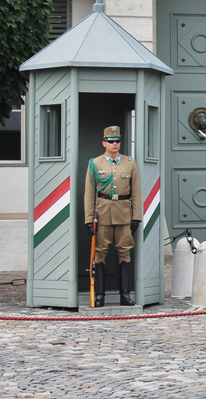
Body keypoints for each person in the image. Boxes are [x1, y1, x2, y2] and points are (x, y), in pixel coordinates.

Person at [83, 126, 142, 307]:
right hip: (103, 214)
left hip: (124, 213)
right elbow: (89, 193)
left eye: (117, 141)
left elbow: (136, 191)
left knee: (124, 252)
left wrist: (137, 216)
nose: (114, 144)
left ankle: (125, 294)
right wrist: (88, 219)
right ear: (104, 143)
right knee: (100, 253)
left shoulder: (129, 163)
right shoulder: (95, 163)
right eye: (110, 141)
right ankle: (100, 295)